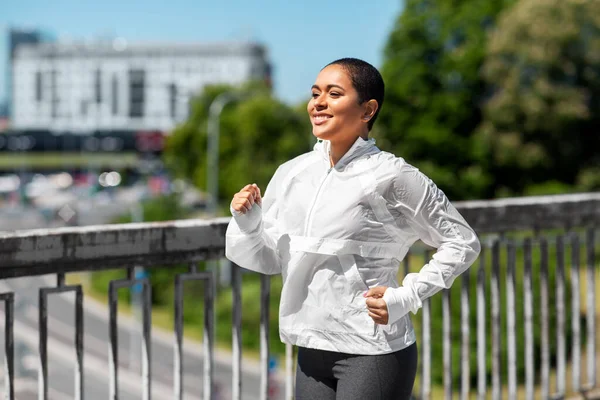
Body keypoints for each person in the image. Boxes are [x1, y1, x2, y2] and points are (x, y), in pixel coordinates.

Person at [225, 58, 481, 400]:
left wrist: (407, 295)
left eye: (334, 93)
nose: (318, 102)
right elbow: (273, 258)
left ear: (367, 110)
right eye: (315, 93)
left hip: (372, 349)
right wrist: (250, 223)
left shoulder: (392, 175)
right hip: (311, 344)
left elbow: (462, 242)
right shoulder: (293, 173)